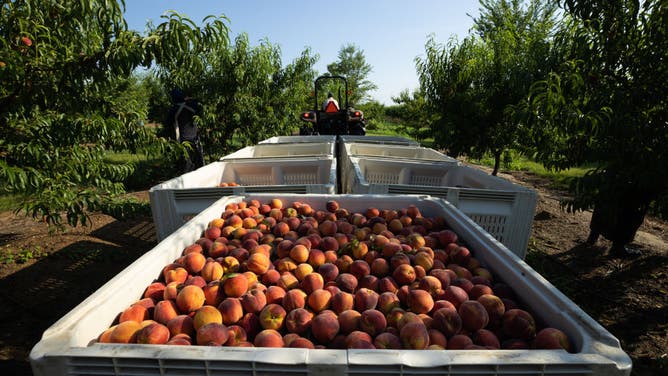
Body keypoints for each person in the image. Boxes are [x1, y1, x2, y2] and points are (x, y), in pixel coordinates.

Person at [167, 88, 205, 172]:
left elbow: (168, 123)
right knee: (199, 164)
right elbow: (200, 104)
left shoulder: (174, 109)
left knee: (186, 166)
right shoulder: (193, 105)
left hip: (182, 141)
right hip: (195, 139)